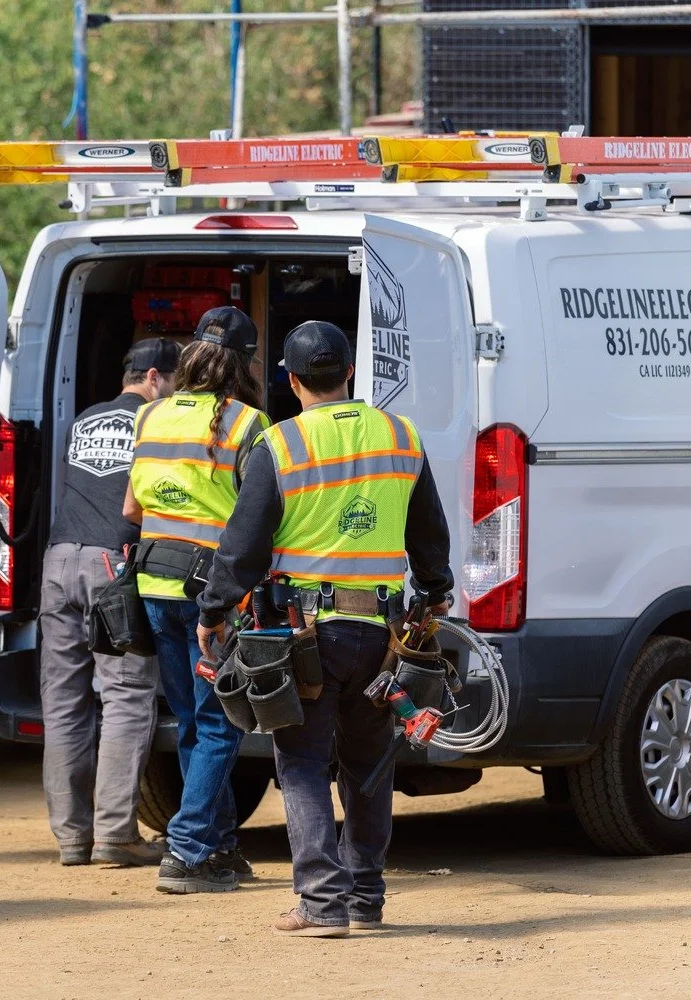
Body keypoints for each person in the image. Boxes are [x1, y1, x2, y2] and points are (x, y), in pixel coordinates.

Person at [196, 320, 453, 937]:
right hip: (384, 635)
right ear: (349, 373)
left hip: (306, 634)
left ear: (290, 380)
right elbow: (429, 532)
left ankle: (320, 902)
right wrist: (435, 591)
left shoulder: (281, 444)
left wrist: (214, 610)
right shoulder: (401, 435)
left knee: (303, 762)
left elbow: (243, 545)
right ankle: (365, 898)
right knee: (369, 765)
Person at [122, 306, 268, 894]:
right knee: (221, 724)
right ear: (245, 364)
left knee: (192, 720)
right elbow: (257, 520)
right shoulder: (248, 423)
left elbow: (131, 510)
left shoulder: (150, 414)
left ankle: (218, 844)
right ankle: (186, 851)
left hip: (154, 582)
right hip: (215, 595)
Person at [40, 337, 180, 867]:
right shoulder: (156, 421)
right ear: (154, 378)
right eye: (174, 383)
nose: (177, 394)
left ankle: (71, 838)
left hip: (59, 560)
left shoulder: (84, 419)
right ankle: (115, 836)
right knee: (125, 694)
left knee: (63, 701)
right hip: (110, 564)